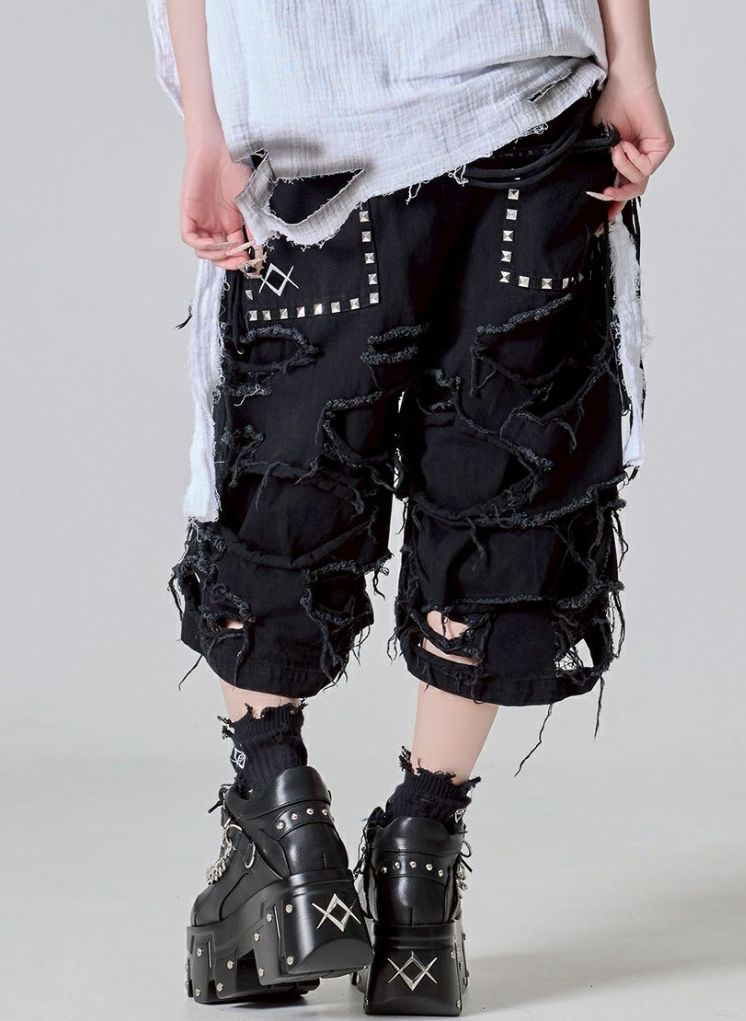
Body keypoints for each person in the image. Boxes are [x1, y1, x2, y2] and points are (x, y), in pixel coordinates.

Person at [147, 0, 672, 1013]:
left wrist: (205, 125)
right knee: (500, 496)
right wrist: (633, 64)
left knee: (286, 479)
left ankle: (282, 829)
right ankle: (421, 862)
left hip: (311, 123)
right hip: (527, 101)